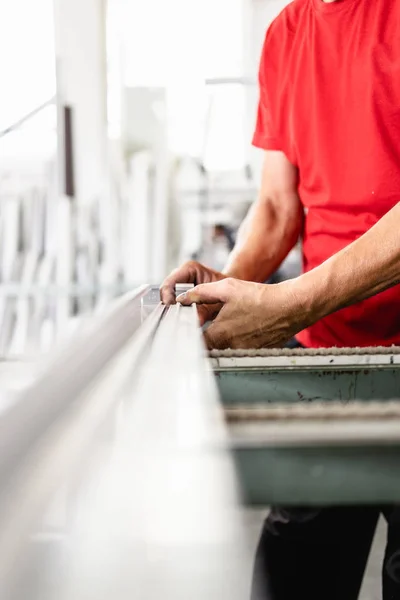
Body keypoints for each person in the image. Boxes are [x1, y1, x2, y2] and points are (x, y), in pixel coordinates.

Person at [161, 0, 400, 597]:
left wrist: (290, 305)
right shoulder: (287, 31)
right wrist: (227, 288)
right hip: (327, 363)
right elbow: (276, 206)